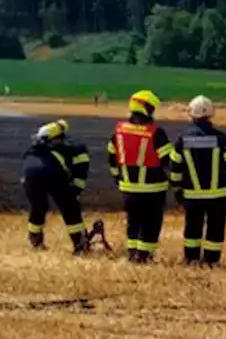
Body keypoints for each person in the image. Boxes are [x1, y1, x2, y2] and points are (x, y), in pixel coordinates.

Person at [169, 96, 226, 266]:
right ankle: (211, 260)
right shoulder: (222, 138)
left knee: (192, 228)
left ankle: (191, 259)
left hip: (192, 195)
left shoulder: (182, 139)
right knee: (215, 229)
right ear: (210, 114)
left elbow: (175, 168)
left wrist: (177, 189)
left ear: (191, 114)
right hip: (219, 195)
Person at [107, 90, 174, 263]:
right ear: (145, 108)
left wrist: (118, 179)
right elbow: (170, 160)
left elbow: (112, 158)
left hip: (128, 188)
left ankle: (132, 253)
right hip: (153, 188)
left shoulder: (119, 131)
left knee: (133, 221)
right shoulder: (155, 132)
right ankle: (144, 257)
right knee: (151, 223)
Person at [20, 119, 90, 254]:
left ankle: (35, 241)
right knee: (70, 209)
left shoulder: (33, 150)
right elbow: (81, 167)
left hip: (30, 176)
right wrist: (76, 189)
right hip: (53, 174)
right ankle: (79, 244)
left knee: (38, 208)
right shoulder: (72, 148)